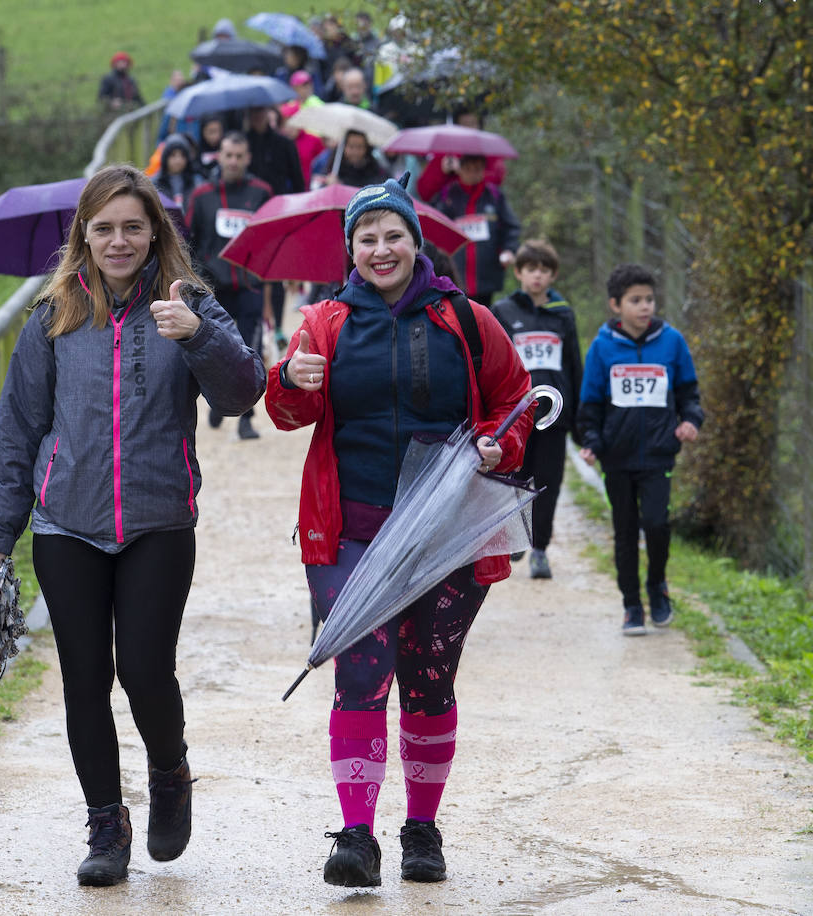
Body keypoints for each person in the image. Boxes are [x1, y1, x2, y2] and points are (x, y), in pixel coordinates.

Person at [0, 165, 266, 887]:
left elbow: (243, 391)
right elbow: (19, 429)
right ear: (84, 236)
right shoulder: (53, 314)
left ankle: (169, 774)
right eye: (103, 227)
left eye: (133, 226)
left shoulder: (189, 302)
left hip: (159, 521)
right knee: (83, 678)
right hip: (66, 523)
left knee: (143, 669)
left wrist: (197, 336)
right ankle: (106, 822)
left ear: (154, 231)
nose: (119, 239)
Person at [265, 177, 532, 887]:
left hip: (446, 535)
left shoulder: (467, 320)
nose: (381, 250)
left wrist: (497, 445)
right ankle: (355, 837)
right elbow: (287, 414)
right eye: (367, 239)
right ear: (351, 250)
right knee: (358, 675)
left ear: (416, 243)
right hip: (349, 533)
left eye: (393, 236)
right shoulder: (325, 323)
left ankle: (421, 830)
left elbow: (515, 400)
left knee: (428, 680)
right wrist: (291, 379)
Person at [577, 263, 703, 635]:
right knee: (626, 531)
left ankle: (657, 589)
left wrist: (691, 421)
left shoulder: (672, 342)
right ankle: (632, 604)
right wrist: (591, 442)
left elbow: (688, 393)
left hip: (659, 453)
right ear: (616, 305)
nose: (645, 307)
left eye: (649, 299)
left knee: (657, 523)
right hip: (617, 457)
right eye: (636, 300)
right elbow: (592, 405)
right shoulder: (602, 347)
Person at [490, 240, 582, 579]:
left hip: (554, 418)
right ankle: (515, 535)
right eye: (531, 270)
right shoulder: (504, 311)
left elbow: (574, 364)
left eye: (544, 270)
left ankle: (540, 549)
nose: (538, 276)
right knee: (515, 478)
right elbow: (496, 362)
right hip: (517, 417)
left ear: (553, 274)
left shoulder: (563, 315)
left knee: (549, 483)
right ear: (519, 273)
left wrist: (578, 417)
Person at [186, 132, 275, 439]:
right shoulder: (201, 196)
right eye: (228, 155)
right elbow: (189, 242)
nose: (234, 161)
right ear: (219, 156)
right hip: (214, 289)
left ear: (247, 158)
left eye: (239, 156)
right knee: (216, 348)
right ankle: (217, 400)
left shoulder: (261, 192)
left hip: (249, 284)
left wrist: (269, 293)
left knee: (249, 348)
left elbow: (268, 242)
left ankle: (246, 418)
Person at [429, 154, 521, 306]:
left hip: (486, 271)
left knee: (484, 314)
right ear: (459, 169)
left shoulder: (494, 195)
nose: (472, 174)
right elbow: (435, 225)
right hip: (455, 270)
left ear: (484, 170)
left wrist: (509, 250)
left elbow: (511, 226)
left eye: (477, 169)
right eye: (468, 169)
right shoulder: (447, 195)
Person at [245, 105, 305, 195]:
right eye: (253, 112)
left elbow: (297, 178)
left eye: (260, 111)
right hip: (250, 198)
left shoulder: (284, 143)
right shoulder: (244, 143)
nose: (257, 116)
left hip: (277, 196)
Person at [315, 129, 389, 187]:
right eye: (351, 146)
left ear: (366, 148)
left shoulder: (375, 170)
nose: (355, 152)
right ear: (344, 147)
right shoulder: (333, 167)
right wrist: (328, 184)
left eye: (360, 147)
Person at [152, 132, 199, 210]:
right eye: (173, 155)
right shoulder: (155, 184)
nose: (178, 160)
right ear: (165, 157)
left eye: (182, 155)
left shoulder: (196, 183)